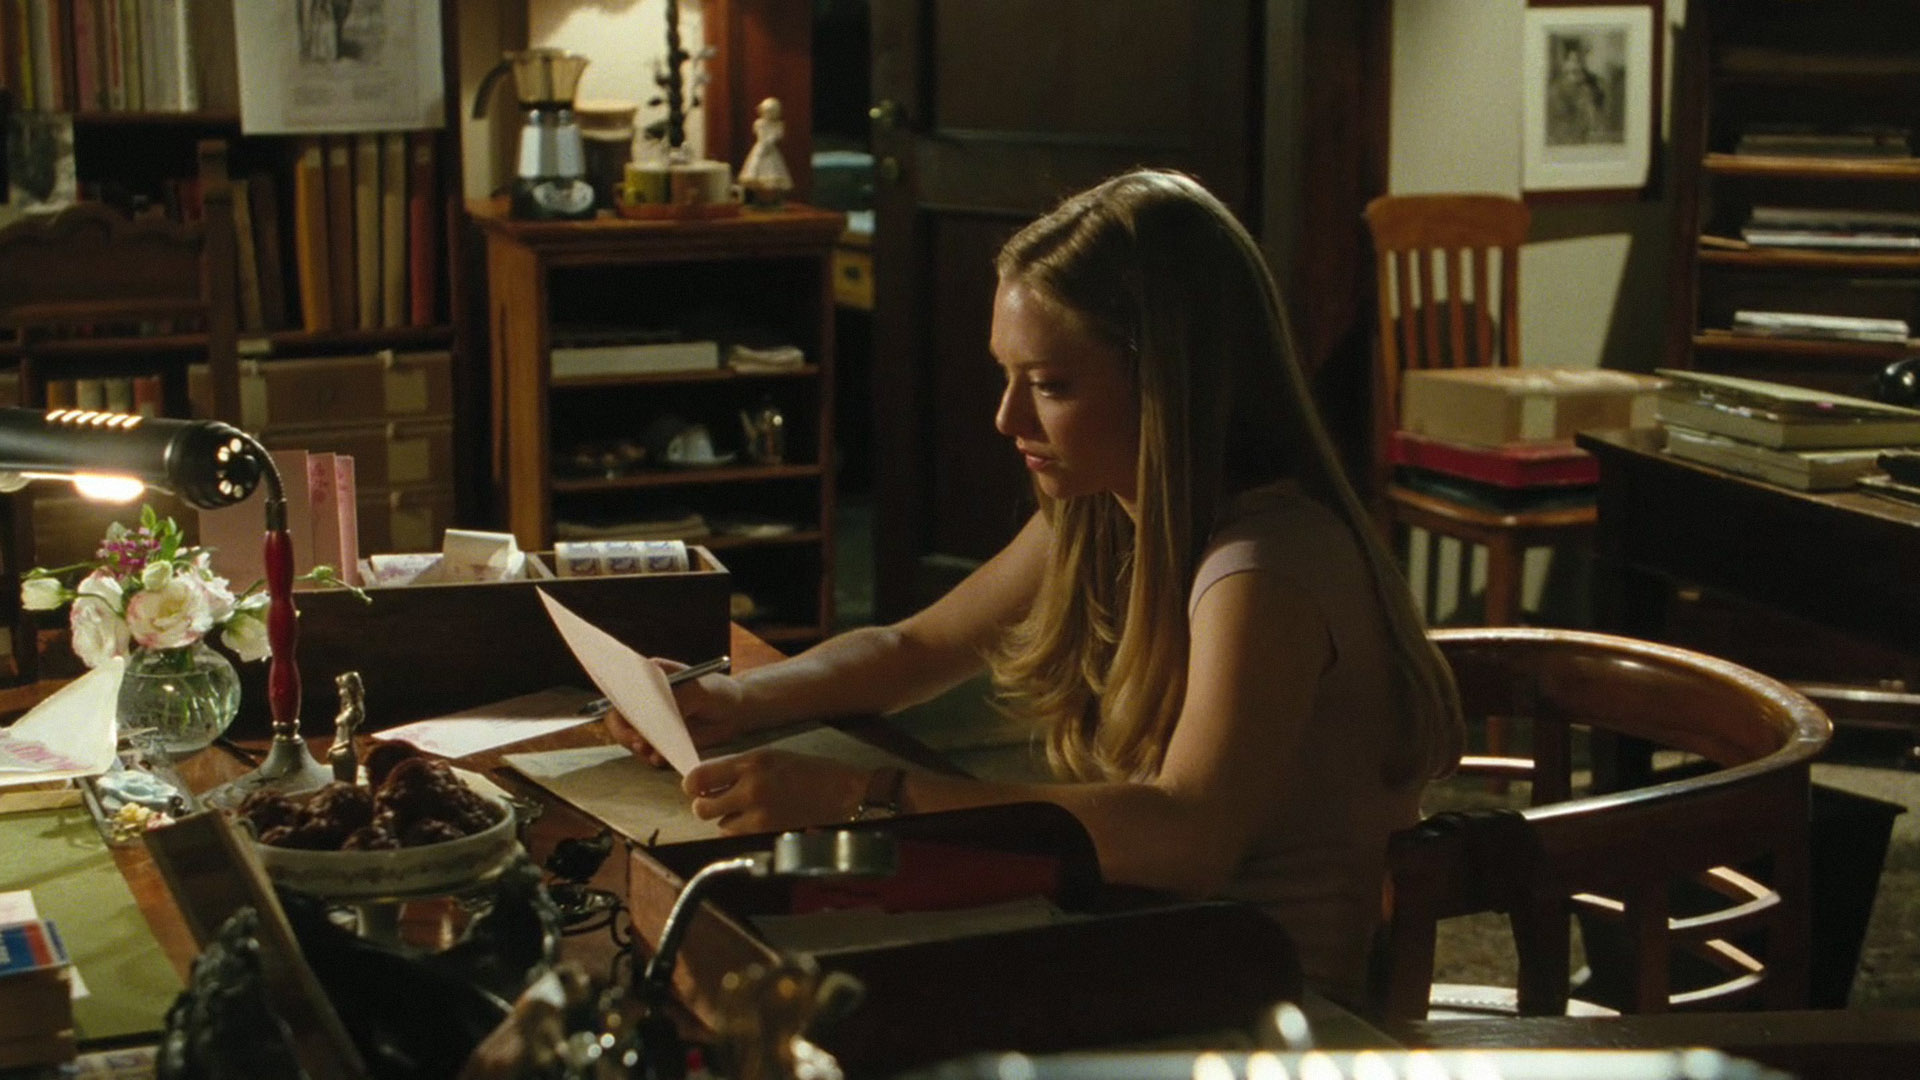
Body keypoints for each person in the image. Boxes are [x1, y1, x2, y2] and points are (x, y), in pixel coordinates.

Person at [607, 169, 1463, 1003]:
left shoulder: (1264, 564)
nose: (1007, 418)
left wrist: (857, 796)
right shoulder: (1106, 509)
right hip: (1145, 941)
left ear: (1169, 384)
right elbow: (914, 648)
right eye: (1007, 375)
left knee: (785, 991)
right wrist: (734, 701)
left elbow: (1186, 835)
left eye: (1050, 385)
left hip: (1259, 1001)